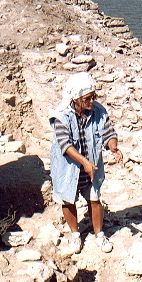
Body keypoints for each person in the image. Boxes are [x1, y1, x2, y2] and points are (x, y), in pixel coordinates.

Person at [50, 72, 123, 254]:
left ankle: (99, 234)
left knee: (94, 199)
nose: (92, 101)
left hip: (91, 167)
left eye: (93, 97)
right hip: (69, 168)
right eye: (87, 98)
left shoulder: (98, 111)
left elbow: (108, 133)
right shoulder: (61, 116)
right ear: (75, 98)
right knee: (68, 200)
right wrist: (84, 162)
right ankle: (75, 234)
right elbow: (65, 144)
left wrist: (113, 147)